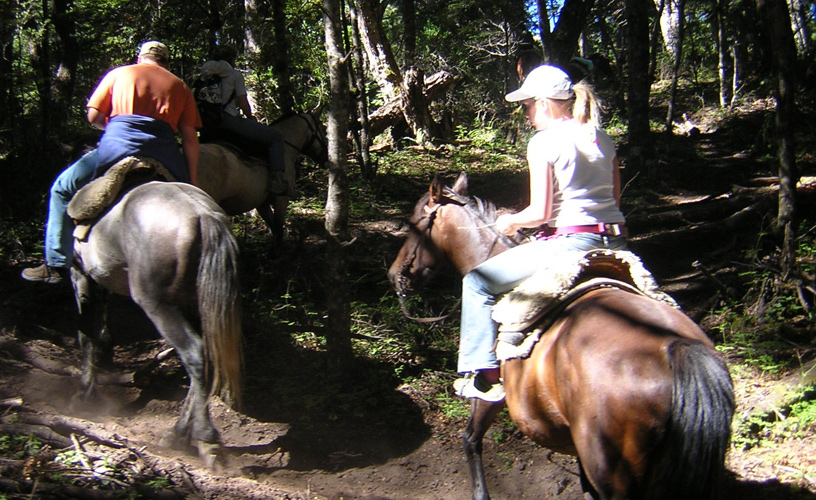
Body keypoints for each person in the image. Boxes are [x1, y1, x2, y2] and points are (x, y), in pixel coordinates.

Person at [453, 65, 628, 402]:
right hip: (616, 241)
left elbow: (541, 213)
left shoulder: (543, 142)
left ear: (544, 104)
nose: (527, 114)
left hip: (573, 244)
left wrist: (512, 222)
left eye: (528, 106)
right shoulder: (602, 138)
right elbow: (614, 201)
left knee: (476, 283)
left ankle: (486, 378)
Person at [22, 41, 201, 284]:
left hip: (118, 147)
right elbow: (190, 139)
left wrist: (116, 128)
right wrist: (191, 181)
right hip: (164, 153)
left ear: (140, 58)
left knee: (62, 188)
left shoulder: (119, 74)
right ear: (166, 63)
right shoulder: (180, 86)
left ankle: (56, 263)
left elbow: (93, 116)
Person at [198, 44, 289, 194]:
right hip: (229, 120)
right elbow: (243, 103)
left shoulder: (204, 75)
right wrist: (250, 116)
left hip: (207, 125)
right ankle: (277, 181)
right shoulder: (234, 75)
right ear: (231, 59)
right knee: (276, 137)